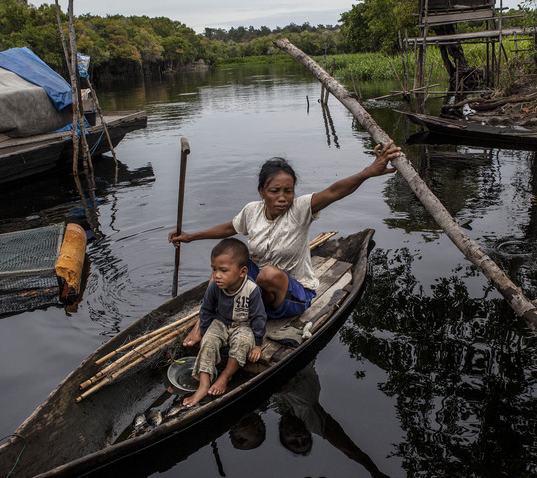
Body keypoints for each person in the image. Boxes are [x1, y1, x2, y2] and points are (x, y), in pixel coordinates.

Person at [170, 142, 401, 332]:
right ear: (262, 192)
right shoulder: (252, 210)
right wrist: (190, 237)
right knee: (222, 263)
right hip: (259, 283)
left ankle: (248, 314)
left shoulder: (300, 210)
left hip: (293, 292)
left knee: (268, 273)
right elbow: (229, 228)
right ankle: (202, 323)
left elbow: (334, 191)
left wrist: (368, 172)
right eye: (275, 191)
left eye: (288, 191)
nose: (282, 198)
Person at [183, 238, 266, 408]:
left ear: (242, 272)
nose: (217, 275)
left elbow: (259, 317)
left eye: (223, 270)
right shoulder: (215, 287)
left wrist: (257, 344)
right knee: (207, 342)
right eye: (214, 269)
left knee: (242, 343)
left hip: (243, 325)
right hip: (220, 323)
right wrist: (206, 333)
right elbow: (206, 310)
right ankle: (204, 384)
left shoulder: (252, 289)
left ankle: (225, 376)